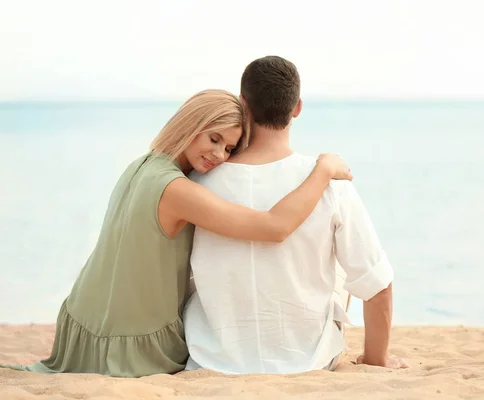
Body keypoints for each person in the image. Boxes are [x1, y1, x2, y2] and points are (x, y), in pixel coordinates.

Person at [0, 89, 352, 378]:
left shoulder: (142, 165)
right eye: (214, 139)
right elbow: (274, 227)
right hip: (134, 347)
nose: (218, 155)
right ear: (191, 124)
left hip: (84, 328)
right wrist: (322, 169)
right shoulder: (177, 191)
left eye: (229, 148)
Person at [183, 57, 407, 374]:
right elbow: (378, 286)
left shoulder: (195, 183)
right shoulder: (330, 183)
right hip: (307, 359)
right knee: (347, 268)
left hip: (214, 357)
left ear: (243, 105)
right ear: (297, 108)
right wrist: (376, 361)